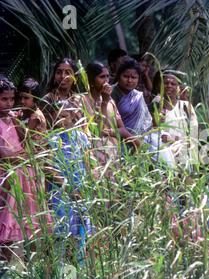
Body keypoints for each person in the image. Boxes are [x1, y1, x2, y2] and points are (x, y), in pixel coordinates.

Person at [0, 76, 51, 261]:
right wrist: (26, 156)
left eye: (11, 99)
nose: (9, 103)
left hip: (19, 178)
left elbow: (26, 138)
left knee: (17, 225)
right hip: (5, 177)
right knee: (4, 225)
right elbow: (6, 154)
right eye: (4, 99)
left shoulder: (12, 119)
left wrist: (16, 121)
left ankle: (17, 271)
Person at [48, 103, 95, 262]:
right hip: (60, 193)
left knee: (80, 232)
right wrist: (67, 187)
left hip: (80, 190)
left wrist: (89, 185)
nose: (61, 120)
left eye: (64, 116)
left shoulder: (81, 137)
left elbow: (87, 164)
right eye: (58, 116)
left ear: (72, 116)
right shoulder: (52, 139)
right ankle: (61, 275)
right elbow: (48, 168)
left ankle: (78, 272)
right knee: (62, 233)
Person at [85, 61, 138, 167]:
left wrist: (108, 132)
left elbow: (122, 129)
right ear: (91, 79)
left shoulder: (110, 101)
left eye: (107, 77)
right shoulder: (81, 100)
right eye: (102, 77)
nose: (106, 81)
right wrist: (104, 103)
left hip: (112, 153)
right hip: (92, 154)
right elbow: (96, 132)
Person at [151, 71, 199, 169]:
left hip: (183, 158)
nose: (169, 86)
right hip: (161, 159)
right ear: (160, 86)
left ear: (179, 88)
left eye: (173, 84)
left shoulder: (186, 106)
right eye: (166, 83)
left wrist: (173, 139)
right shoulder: (155, 105)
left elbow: (194, 137)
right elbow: (151, 132)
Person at [42, 58, 84, 129]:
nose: (63, 76)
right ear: (54, 77)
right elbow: (41, 129)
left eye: (68, 73)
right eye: (59, 72)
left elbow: (84, 127)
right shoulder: (47, 100)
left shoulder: (79, 100)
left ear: (75, 78)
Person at [16, 77, 47, 148]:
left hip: (35, 154)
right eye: (20, 98)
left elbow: (24, 138)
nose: (22, 101)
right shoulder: (25, 112)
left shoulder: (35, 117)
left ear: (35, 98)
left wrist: (15, 120)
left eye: (26, 98)